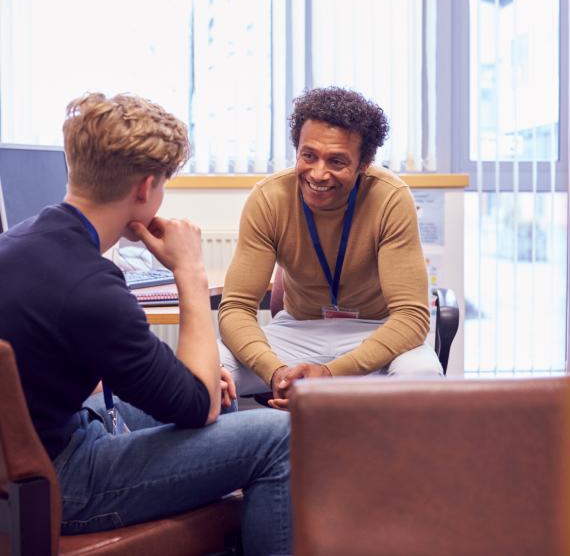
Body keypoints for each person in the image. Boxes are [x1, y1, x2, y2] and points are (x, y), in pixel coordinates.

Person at [0, 93, 291, 555]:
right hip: (60, 482)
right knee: (280, 437)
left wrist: (196, 387)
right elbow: (196, 407)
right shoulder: (91, 287)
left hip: (32, 454)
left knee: (223, 396)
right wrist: (190, 272)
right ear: (146, 188)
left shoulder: (22, 239)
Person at [218, 86, 442, 410]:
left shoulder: (390, 198)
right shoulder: (269, 198)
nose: (318, 173)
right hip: (297, 332)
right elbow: (236, 308)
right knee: (208, 368)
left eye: (336, 161)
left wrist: (331, 374)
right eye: (308, 155)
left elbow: (411, 317)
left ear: (364, 163)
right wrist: (276, 372)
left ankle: (391, 462)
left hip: (374, 332)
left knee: (421, 376)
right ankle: (242, 456)